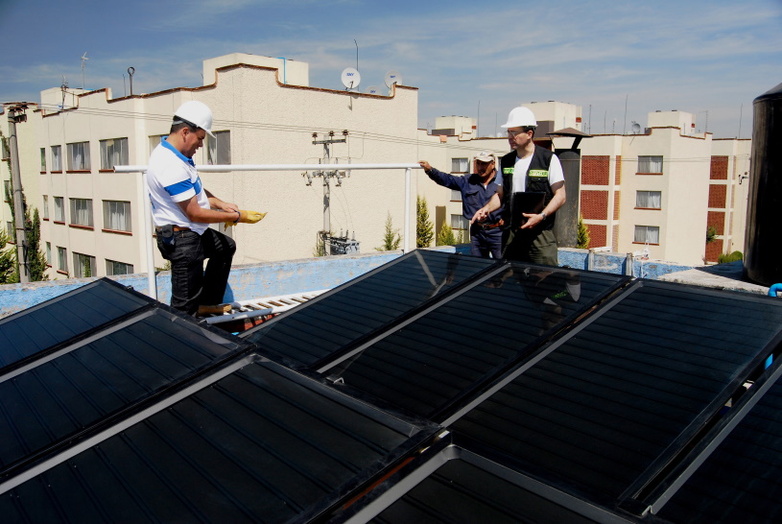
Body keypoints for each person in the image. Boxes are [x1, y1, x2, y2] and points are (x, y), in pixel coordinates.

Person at [146, 100, 265, 316]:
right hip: (182, 240)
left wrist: (221, 204)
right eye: (200, 138)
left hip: (192, 233)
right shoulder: (169, 165)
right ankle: (184, 338)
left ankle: (207, 302)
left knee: (225, 246)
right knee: (183, 311)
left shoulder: (179, 156)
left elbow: (195, 191)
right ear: (185, 132)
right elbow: (194, 212)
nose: (201, 145)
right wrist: (238, 217)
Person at [471, 107, 566, 266]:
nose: (510, 137)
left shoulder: (548, 159)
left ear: (529, 134)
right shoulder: (506, 161)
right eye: (509, 132)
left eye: (515, 133)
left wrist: (541, 216)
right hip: (512, 233)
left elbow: (560, 196)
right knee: (511, 280)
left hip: (540, 234)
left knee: (545, 280)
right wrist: (485, 209)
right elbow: (500, 195)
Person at [418, 151, 504, 258]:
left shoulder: (502, 181)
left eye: (484, 164)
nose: (481, 167)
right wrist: (430, 170)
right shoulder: (468, 181)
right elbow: (447, 179)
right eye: (478, 163)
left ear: (493, 164)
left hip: (498, 232)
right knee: (479, 266)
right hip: (477, 232)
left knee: (502, 266)